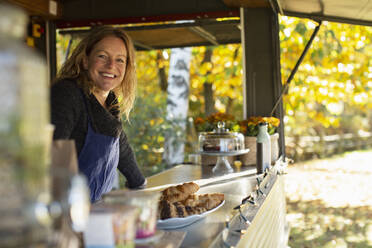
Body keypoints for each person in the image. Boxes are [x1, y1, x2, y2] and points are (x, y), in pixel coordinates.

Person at [51, 26, 146, 202]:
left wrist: (139, 184)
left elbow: (120, 146)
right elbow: (53, 155)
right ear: (85, 60)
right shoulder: (67, 93)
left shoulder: (110, 101)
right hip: (64, 211)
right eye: (102, 56)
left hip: (94, 211)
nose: (111, 66)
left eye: (120, 60)